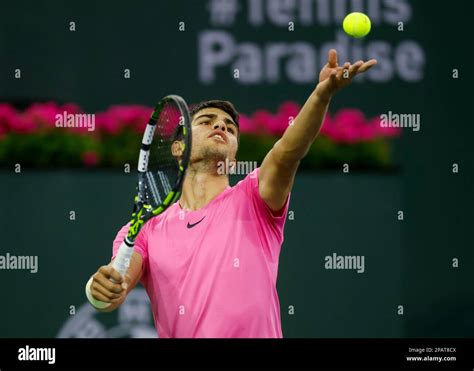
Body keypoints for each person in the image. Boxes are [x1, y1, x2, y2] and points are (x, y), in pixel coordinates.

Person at [86, 49, 377, 338]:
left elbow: (288, 152)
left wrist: (321, 95)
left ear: (234, 158)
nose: (220, 126)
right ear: (178, 148)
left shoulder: (254, 197)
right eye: (206, 121)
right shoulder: (146, 229)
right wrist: (99, 289)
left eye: (230, 127)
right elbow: (115, 287)